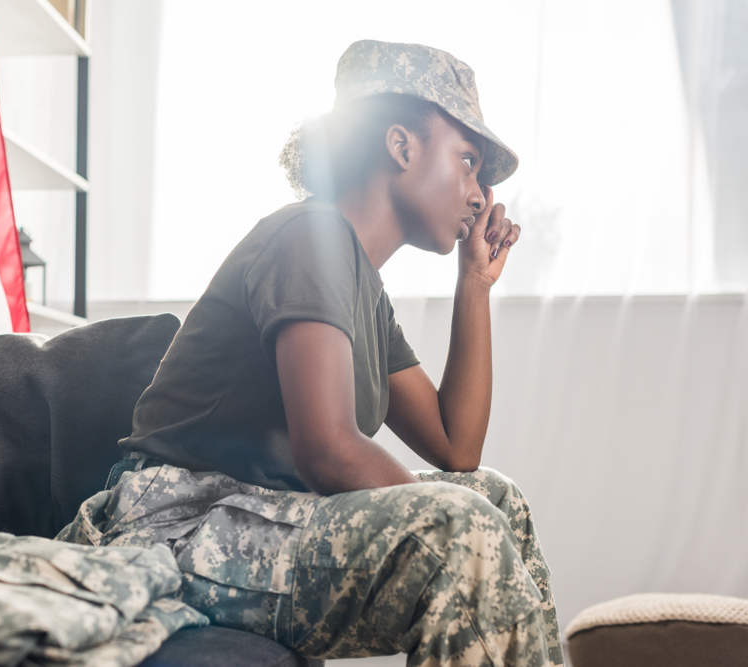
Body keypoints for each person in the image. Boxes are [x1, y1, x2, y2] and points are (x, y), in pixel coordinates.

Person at [58, 40, 563, 667]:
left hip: (263, 517)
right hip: (174, 527)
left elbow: (457, 448)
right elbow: (327, 449)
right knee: (464, 525)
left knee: (494, 499)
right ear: (401, 146)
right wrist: (439, 516)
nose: (479, 194)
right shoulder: (308, 237)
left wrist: (475, 286)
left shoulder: (364, 292)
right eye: (467, 161)